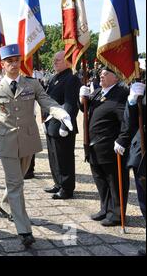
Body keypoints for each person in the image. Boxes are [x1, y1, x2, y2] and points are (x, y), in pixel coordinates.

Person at [0, 44, 73, 248]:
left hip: (28, 141)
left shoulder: (32, 84)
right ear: (3, 64)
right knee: (16, 184)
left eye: (17, 60)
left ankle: (5, 205)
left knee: (17, 180)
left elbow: (46, 101)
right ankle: (24, 230)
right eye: (9, 61)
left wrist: (60, 112)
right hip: (6, 142)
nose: (14, 64)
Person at [79, 67, 129, 227]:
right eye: (101, 73)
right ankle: (105, 208)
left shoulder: (120, 95)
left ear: (116, 77)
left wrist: (122, 139)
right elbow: (84, 108)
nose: (101, 75)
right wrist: (81, 98)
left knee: (114, 181)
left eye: (106, 73)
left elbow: (126, 120)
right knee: (100, 180)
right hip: (93, 147)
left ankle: (117, 214)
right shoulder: (98, 92)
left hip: (109, 147)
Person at [43, 51, 81, 199]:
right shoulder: (54, 78)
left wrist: (65, 125)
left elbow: (70, 104)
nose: (54, 62)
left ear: (67, 62)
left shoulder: (71, 79)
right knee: (54, 157)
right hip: (51, 124)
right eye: (54, 60)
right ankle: (58, 183)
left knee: (64, 158)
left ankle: (66, 188)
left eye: (57, 60)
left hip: (62, 125)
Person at [115, 79, 145, 256]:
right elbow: (130, 121)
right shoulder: (141, 86)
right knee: (144, 199)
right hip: (142, 152)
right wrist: (132, 102)